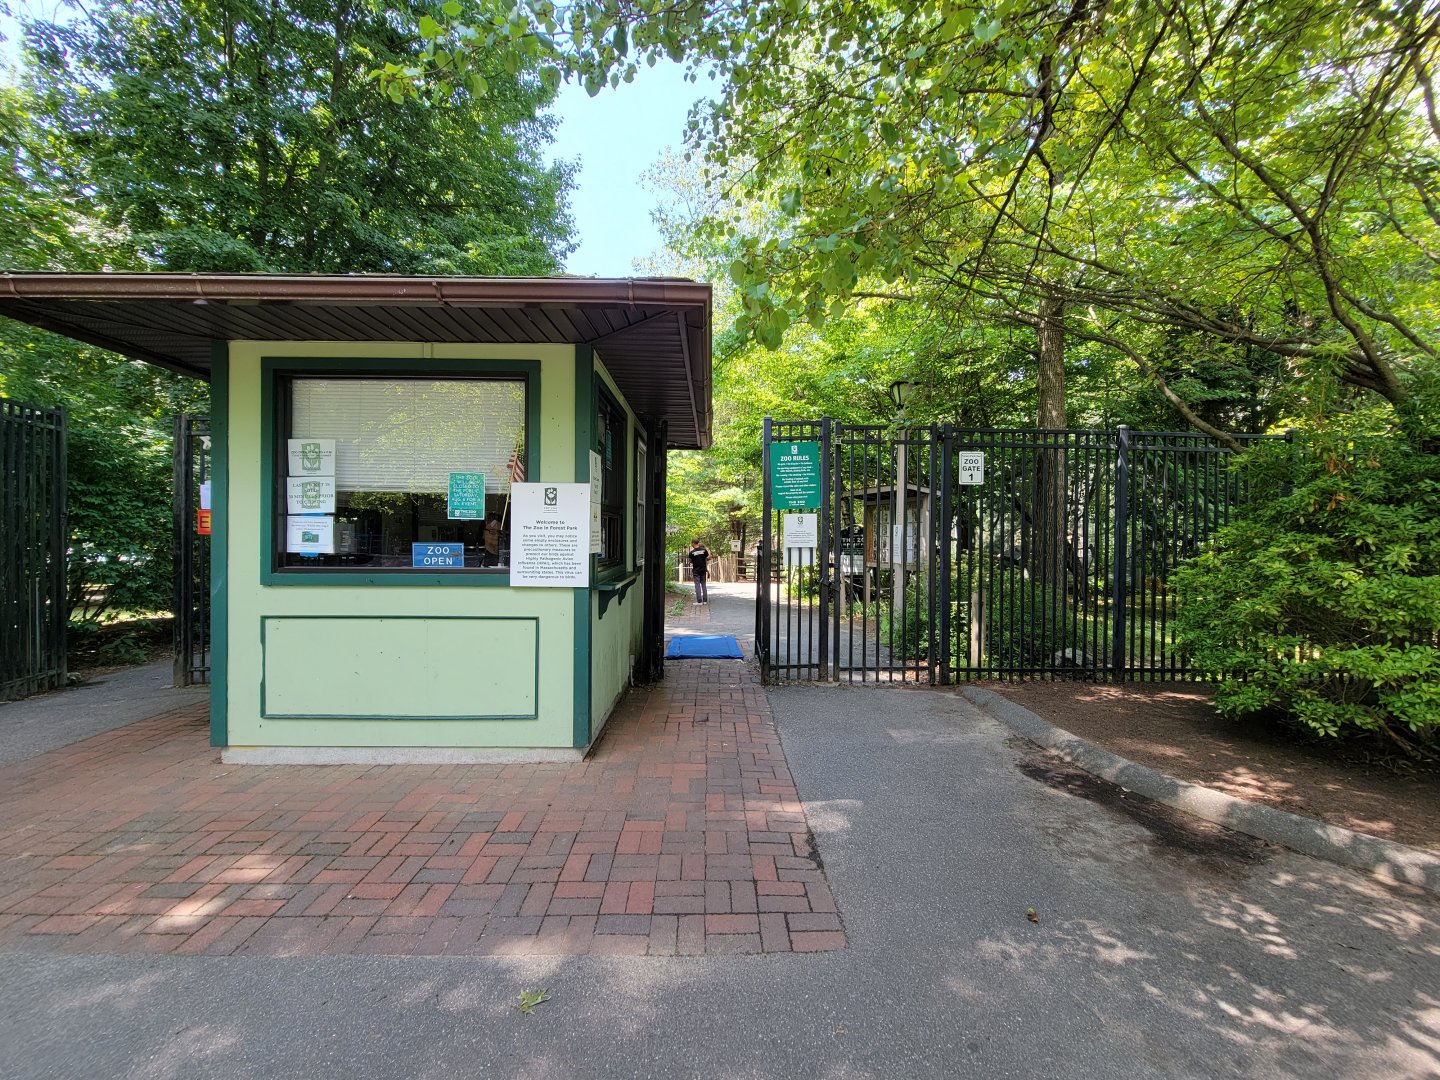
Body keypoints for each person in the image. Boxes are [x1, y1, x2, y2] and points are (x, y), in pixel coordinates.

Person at [688, 537, 710, 604]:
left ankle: (699, 601)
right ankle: (705, 601)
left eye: (691, 543)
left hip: (696, 570)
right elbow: (707, 557)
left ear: (693, 543)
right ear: (698, 542)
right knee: (703, 584)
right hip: (703, 570)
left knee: (697, 585)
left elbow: (691, 561)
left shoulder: (691, 553)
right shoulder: (704, 550)